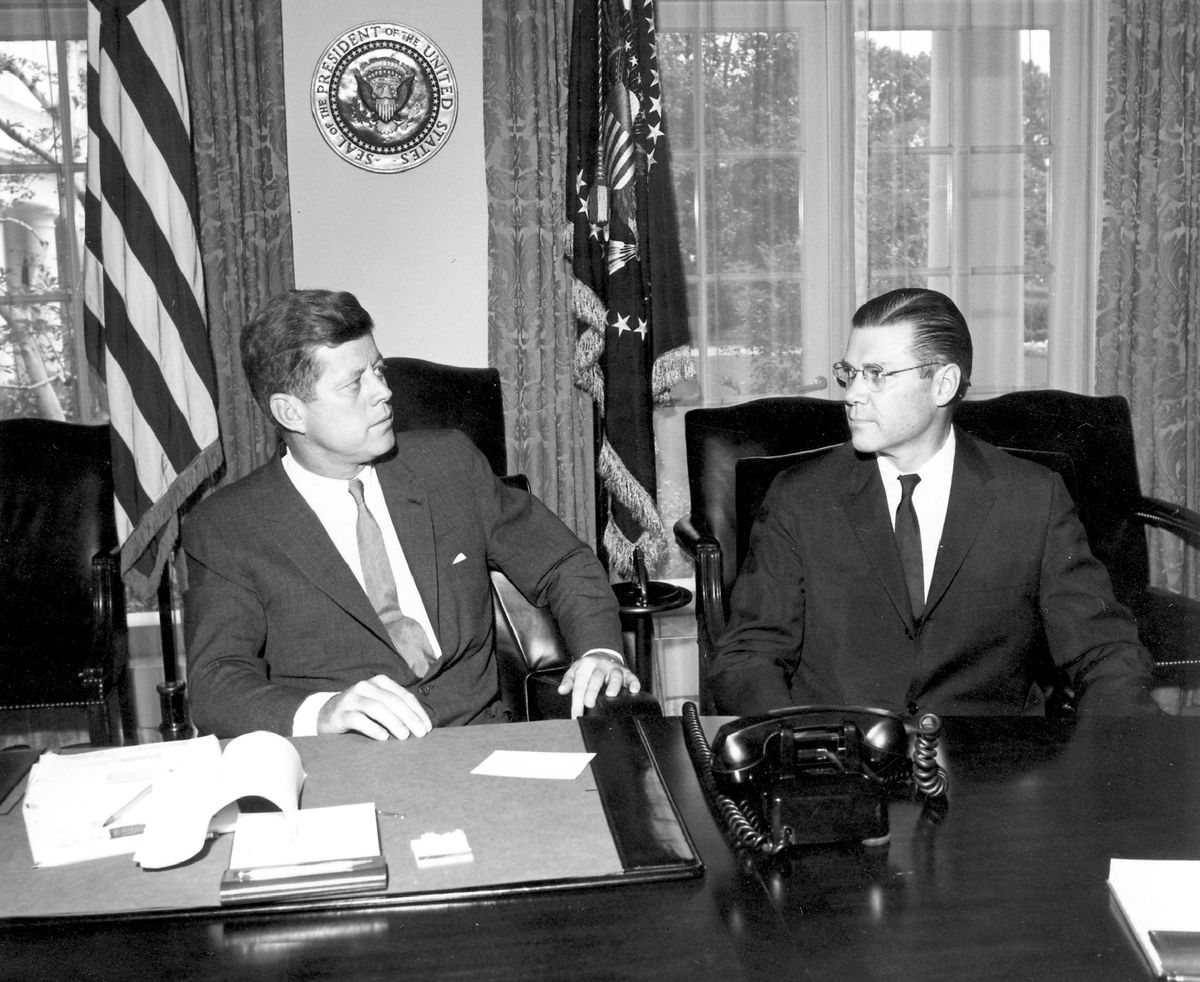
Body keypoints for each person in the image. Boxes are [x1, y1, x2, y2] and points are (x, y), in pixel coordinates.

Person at [183, 289, 636, 739]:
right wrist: (323, 713)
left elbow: (562, 562)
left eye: (377, 370)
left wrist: (599, 653)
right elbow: (217, 684)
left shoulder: (447, 464)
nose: (384, 391)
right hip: (349, 768)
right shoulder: (228, 526)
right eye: (354, 383)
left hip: (480, 747)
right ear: (291, 412)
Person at [709, 287, 1159, 717]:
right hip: (844, 762)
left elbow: (1104, 651)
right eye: (850, 373)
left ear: (943, 384)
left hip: (991, 770)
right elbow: (748, 655)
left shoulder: (1032, 498)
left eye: (877, 375)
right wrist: (795, 744)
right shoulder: (801, 497)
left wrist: (1117, 757)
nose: (850, 394)